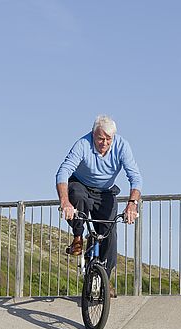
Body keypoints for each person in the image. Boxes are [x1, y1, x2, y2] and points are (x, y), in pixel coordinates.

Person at [56, 114, 142, 297]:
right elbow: (63, 172)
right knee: (77, 195)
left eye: (108, 139)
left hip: (106, 192)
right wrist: (65, 202)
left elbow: (135, 177)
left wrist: (132, 204)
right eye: (100, 138)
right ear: (93, 134)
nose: (104, 143)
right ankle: (78, 237)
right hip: (81, 185)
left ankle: (105, 278)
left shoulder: (122, 146)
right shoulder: (82, 144)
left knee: (109, 235)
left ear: (114, 138)